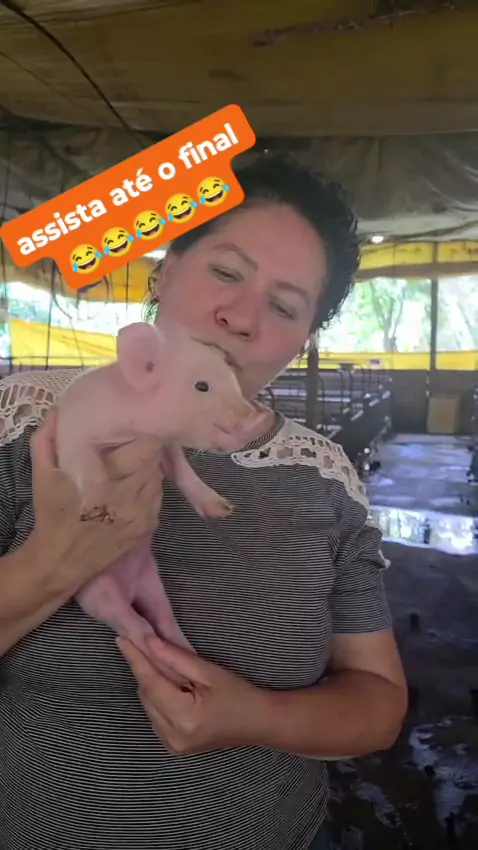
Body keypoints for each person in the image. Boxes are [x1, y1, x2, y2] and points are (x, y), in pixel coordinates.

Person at [0, 154, 407, 850]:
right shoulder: (28, 423)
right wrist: (56, 561)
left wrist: (257, 718)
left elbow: (379, 701)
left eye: (284, 307)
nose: (241, 317)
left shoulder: (322, 477)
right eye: (225, 272)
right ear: (165, 271)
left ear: (302, 340)